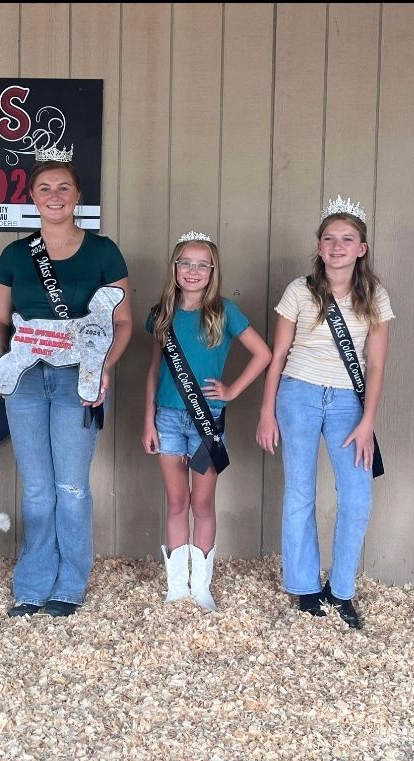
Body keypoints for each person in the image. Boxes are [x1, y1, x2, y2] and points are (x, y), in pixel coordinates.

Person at [0, 148, 132, 618]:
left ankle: (70, 582)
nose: (54, 196)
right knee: (36, 488)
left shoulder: (104, 252)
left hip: (78, 379)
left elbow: (123, 321)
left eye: (63, 188)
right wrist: (0, 361)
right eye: (44, 188)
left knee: (71, 486)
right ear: (31, 196)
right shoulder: (15, 254)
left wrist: (103, 367)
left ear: (78, 196)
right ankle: (31, 582)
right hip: (25, 379)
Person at [256, 197, 393, 629]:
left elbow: (376, 365)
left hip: (348, 403)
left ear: (361, 249)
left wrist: (368, 421)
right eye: (329, 238)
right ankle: (304, 586)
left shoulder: (375, 296)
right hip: (297, 394)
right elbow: (278, 354)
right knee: (299, 492)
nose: (337, 246)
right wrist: (266, 411)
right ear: (318, 246)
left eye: (347, 239)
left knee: (356, 498)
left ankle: (342, 589)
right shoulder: (299, 291)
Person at [142, 231, 273, 611]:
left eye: (202, 264)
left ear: (212, 270)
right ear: (175, 267)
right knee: (176, 501)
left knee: (202, 503)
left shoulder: (225, 311)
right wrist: (147, 419)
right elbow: (154, 369)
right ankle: (176, 587)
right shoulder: (160, 313)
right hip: (166, 418)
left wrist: (232, 390)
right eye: (186, 263)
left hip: (207, 419)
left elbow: (263, 354)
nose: (193, 271)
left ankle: (201, 585)